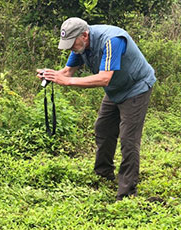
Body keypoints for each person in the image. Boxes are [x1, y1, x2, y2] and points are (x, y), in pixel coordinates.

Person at [37, 17, 156, 201]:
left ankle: (126, 193)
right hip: (115, 89)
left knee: (128, 139)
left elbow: (104, 78)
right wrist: (51, 75)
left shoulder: (112, 40)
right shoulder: (81, 45)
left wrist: (67, 82)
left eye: (71, 43)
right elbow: (68, 72)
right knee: (103, 128)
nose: (70, 48)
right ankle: (103, 173)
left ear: (84, 35)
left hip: (135, 88)